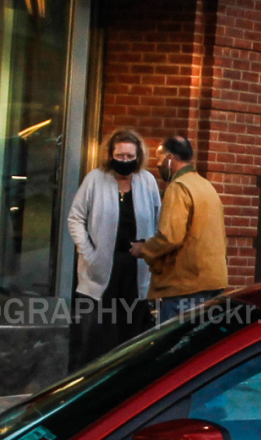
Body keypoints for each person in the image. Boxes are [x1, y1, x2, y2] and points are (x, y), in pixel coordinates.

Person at [65, 127, 160, 366]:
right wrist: (88, 251)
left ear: (138, 156)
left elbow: (159, 219)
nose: (125, 161)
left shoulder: (147, 181)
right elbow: (75, 218)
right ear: (110, 154)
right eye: (120, 156)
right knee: (95, 337)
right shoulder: (95, 179)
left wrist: (149, 249)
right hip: (101, 268)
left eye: (130, 156)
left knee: (130, 334)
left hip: (135, 269)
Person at [134, 136, 227, 322]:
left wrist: (143, 249)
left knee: (173, 345)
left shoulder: (178, 187)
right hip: (211, 279)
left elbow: (170, 237)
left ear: (170, 158)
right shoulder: (205, 185)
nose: (158, 164)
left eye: (159, 158)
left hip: (184, 284)